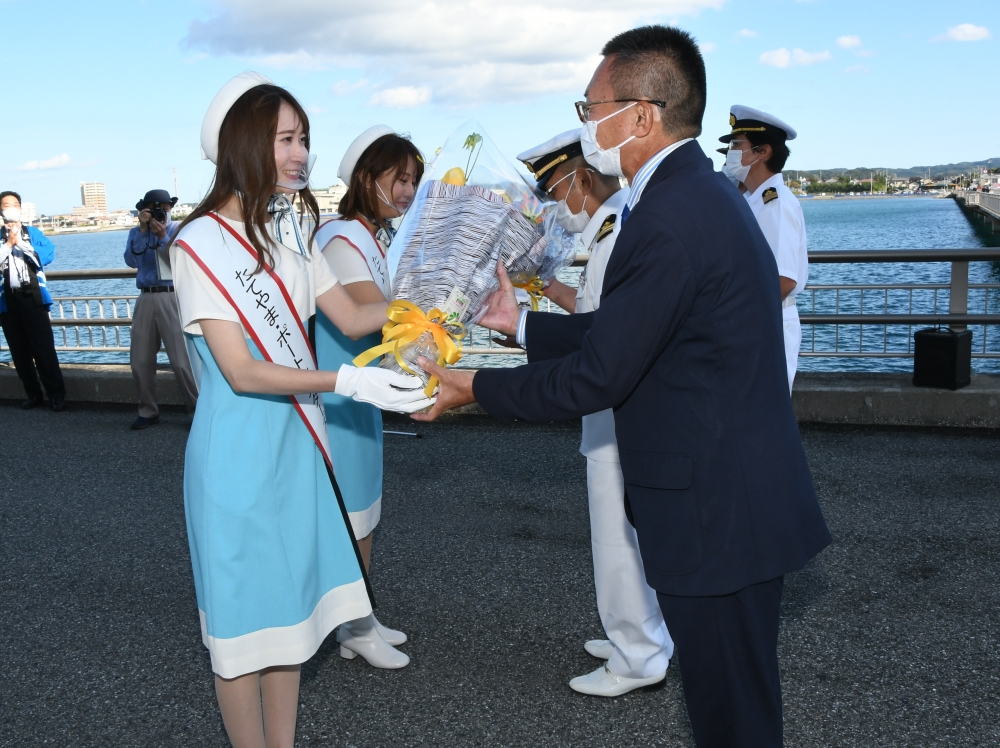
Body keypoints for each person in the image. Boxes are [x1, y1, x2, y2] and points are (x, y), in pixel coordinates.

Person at [415, 26, 831, 747]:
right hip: (738, 499)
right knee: (736, 704)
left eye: (591, 107)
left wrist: (472, 386)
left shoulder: (667, 217)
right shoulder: (698, 196)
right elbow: (633, 335)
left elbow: (600, 375)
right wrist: (521, 328)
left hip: (717, 514)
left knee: (732, 717)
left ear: (640, 115)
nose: (586, 126)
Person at [169, 72, 432, 748]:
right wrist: (348, 383)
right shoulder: (198, 243)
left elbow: (348, 310)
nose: (299, 154)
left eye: (304, 139)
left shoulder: (294, 229)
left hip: (297, 451)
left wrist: (419, 309)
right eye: (285, 139)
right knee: (241, 635)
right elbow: (242, 368)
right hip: (236, 461)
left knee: (290, 624)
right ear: (244, 144)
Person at [517, 129, 674, 697]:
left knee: (616, 538)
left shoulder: (615, 233)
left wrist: (515, 329)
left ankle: (637, 657)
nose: (554, 207)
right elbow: (588, 313)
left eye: (555, 192)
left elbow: (598, 336)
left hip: (612, 413)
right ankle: (640, 632)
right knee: (629, 536)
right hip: (616, 408)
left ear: (581, 181)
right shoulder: (616, 224)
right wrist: (538, 285)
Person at [312, 126, 423, 669]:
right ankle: (353, 626)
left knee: (366, 509)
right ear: (366, 178)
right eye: (398, 178)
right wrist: (433, 301)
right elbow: (364, 311)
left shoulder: (372, 236)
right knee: (351, 510)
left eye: (413, 180)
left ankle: (361, 616)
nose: (407, 190)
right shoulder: (341, 237)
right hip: (339, 395)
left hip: (364, 391)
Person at [719, 106, 808, 392]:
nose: (730, 153)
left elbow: (783, 280)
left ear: (762, 152)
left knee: (760, 421)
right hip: (751, 323)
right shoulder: (752, 200)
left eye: (736, 145)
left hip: (763, 325)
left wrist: (728, 314)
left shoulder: (775, 204)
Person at [124, 189, 199, 429]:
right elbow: (131, 261)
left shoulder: (179, 229)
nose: (160, 213)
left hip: (171, 296)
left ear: (170, 209)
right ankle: (147, 411)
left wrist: (164, 236)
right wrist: (144, 231)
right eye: (154, 209)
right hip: (146, 297)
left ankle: (197, 411)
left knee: (181, 361)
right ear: (143, 211)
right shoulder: (137, 232)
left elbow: (182, 259)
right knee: (140, 360)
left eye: (164, 209)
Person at [0, 190, 66, 411]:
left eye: (14, 204)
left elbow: (47, 255)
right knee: (19, 351)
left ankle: (57, 395)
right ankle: (33, 393)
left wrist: (20, 243)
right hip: (7, 301)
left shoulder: (33, 232)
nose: (10, 208)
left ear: (20, 207)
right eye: (6, 205)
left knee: (44, 348)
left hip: (34, 298)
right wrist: (8, 244)